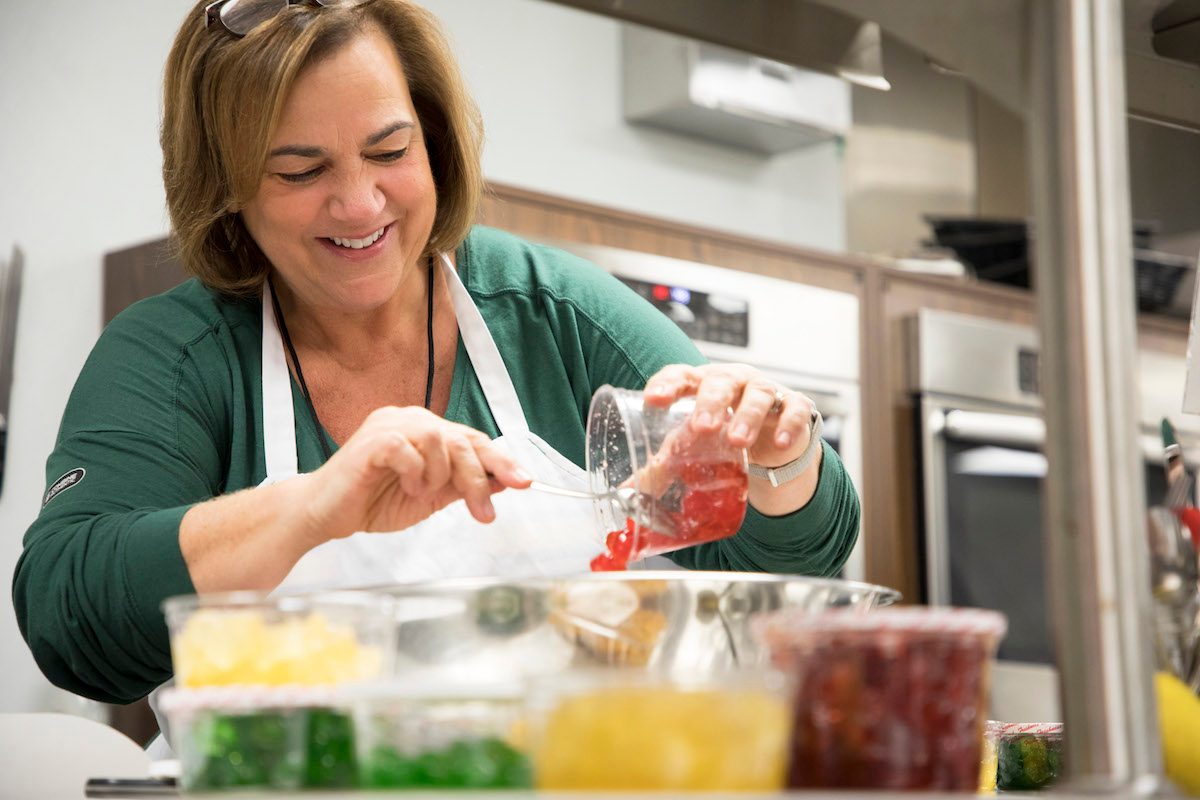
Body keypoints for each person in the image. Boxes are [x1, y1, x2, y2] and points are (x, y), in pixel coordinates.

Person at [14, 0, 859, 710]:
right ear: (229, 186)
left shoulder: (553, 315)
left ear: (436, 142)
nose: (358, 203)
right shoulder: (176, 357)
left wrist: (783, 461)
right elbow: (68, 620)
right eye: (301, 171)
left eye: (389, 151)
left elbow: (784, 568)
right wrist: (312, 508)